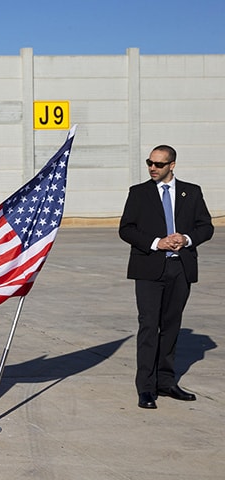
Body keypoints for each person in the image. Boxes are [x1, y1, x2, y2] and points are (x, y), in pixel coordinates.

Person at [119, 145, 214, 409]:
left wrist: (186, 238)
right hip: (149, 269)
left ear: (172, 165)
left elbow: (206, 227)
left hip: (180, 268)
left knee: (171, 326)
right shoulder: (138, 193)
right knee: (149, 326)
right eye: (150, 162)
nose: (152, 168)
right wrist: (156, 243)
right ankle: (146, 388)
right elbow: (126, 229)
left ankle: (166, 381)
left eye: (159, 164)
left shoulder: (191, 192)